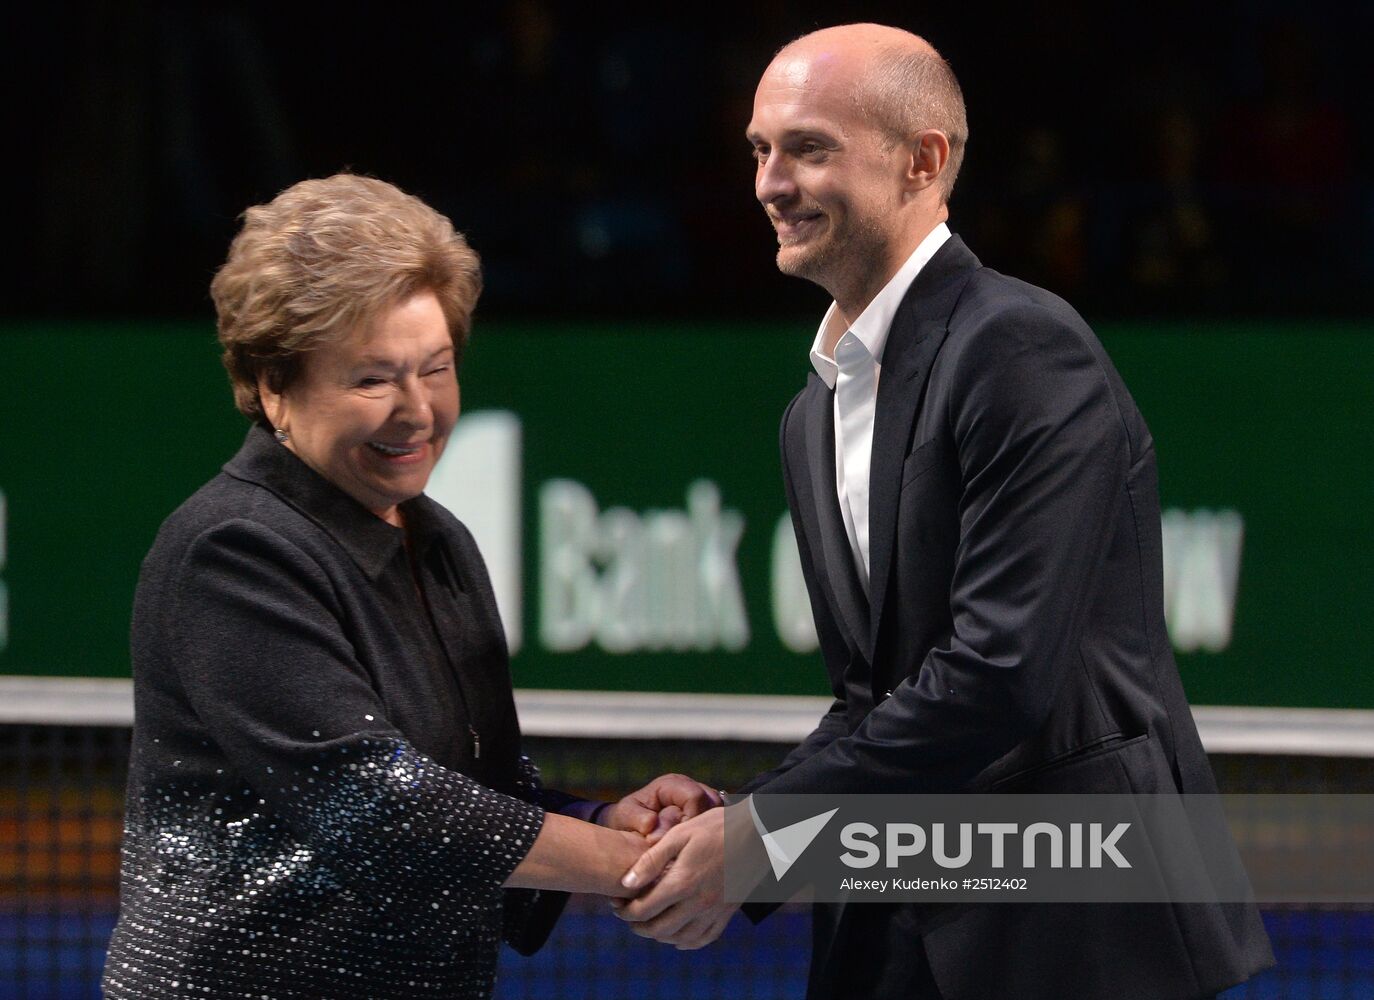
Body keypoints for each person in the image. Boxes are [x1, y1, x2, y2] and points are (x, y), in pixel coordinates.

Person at [614, 24, 1274, 999]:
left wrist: (760, 838)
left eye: (808, 148)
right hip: (900, 922)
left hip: (1077, 935)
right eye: (760, 149)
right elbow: (876, 695)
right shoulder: (814, 412)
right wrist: (739, 823)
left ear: (922, 160)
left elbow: (999, 674)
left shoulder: (1020, 348)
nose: (768, 182)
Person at [102, 173, 715, 1000]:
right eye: (372, 379)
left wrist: (606, 821)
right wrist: (649, 863)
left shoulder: (438, 541)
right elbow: (377, 806)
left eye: (436, 369)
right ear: (275, 386)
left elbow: (482, 792)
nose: (417, 411)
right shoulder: (233, 550)